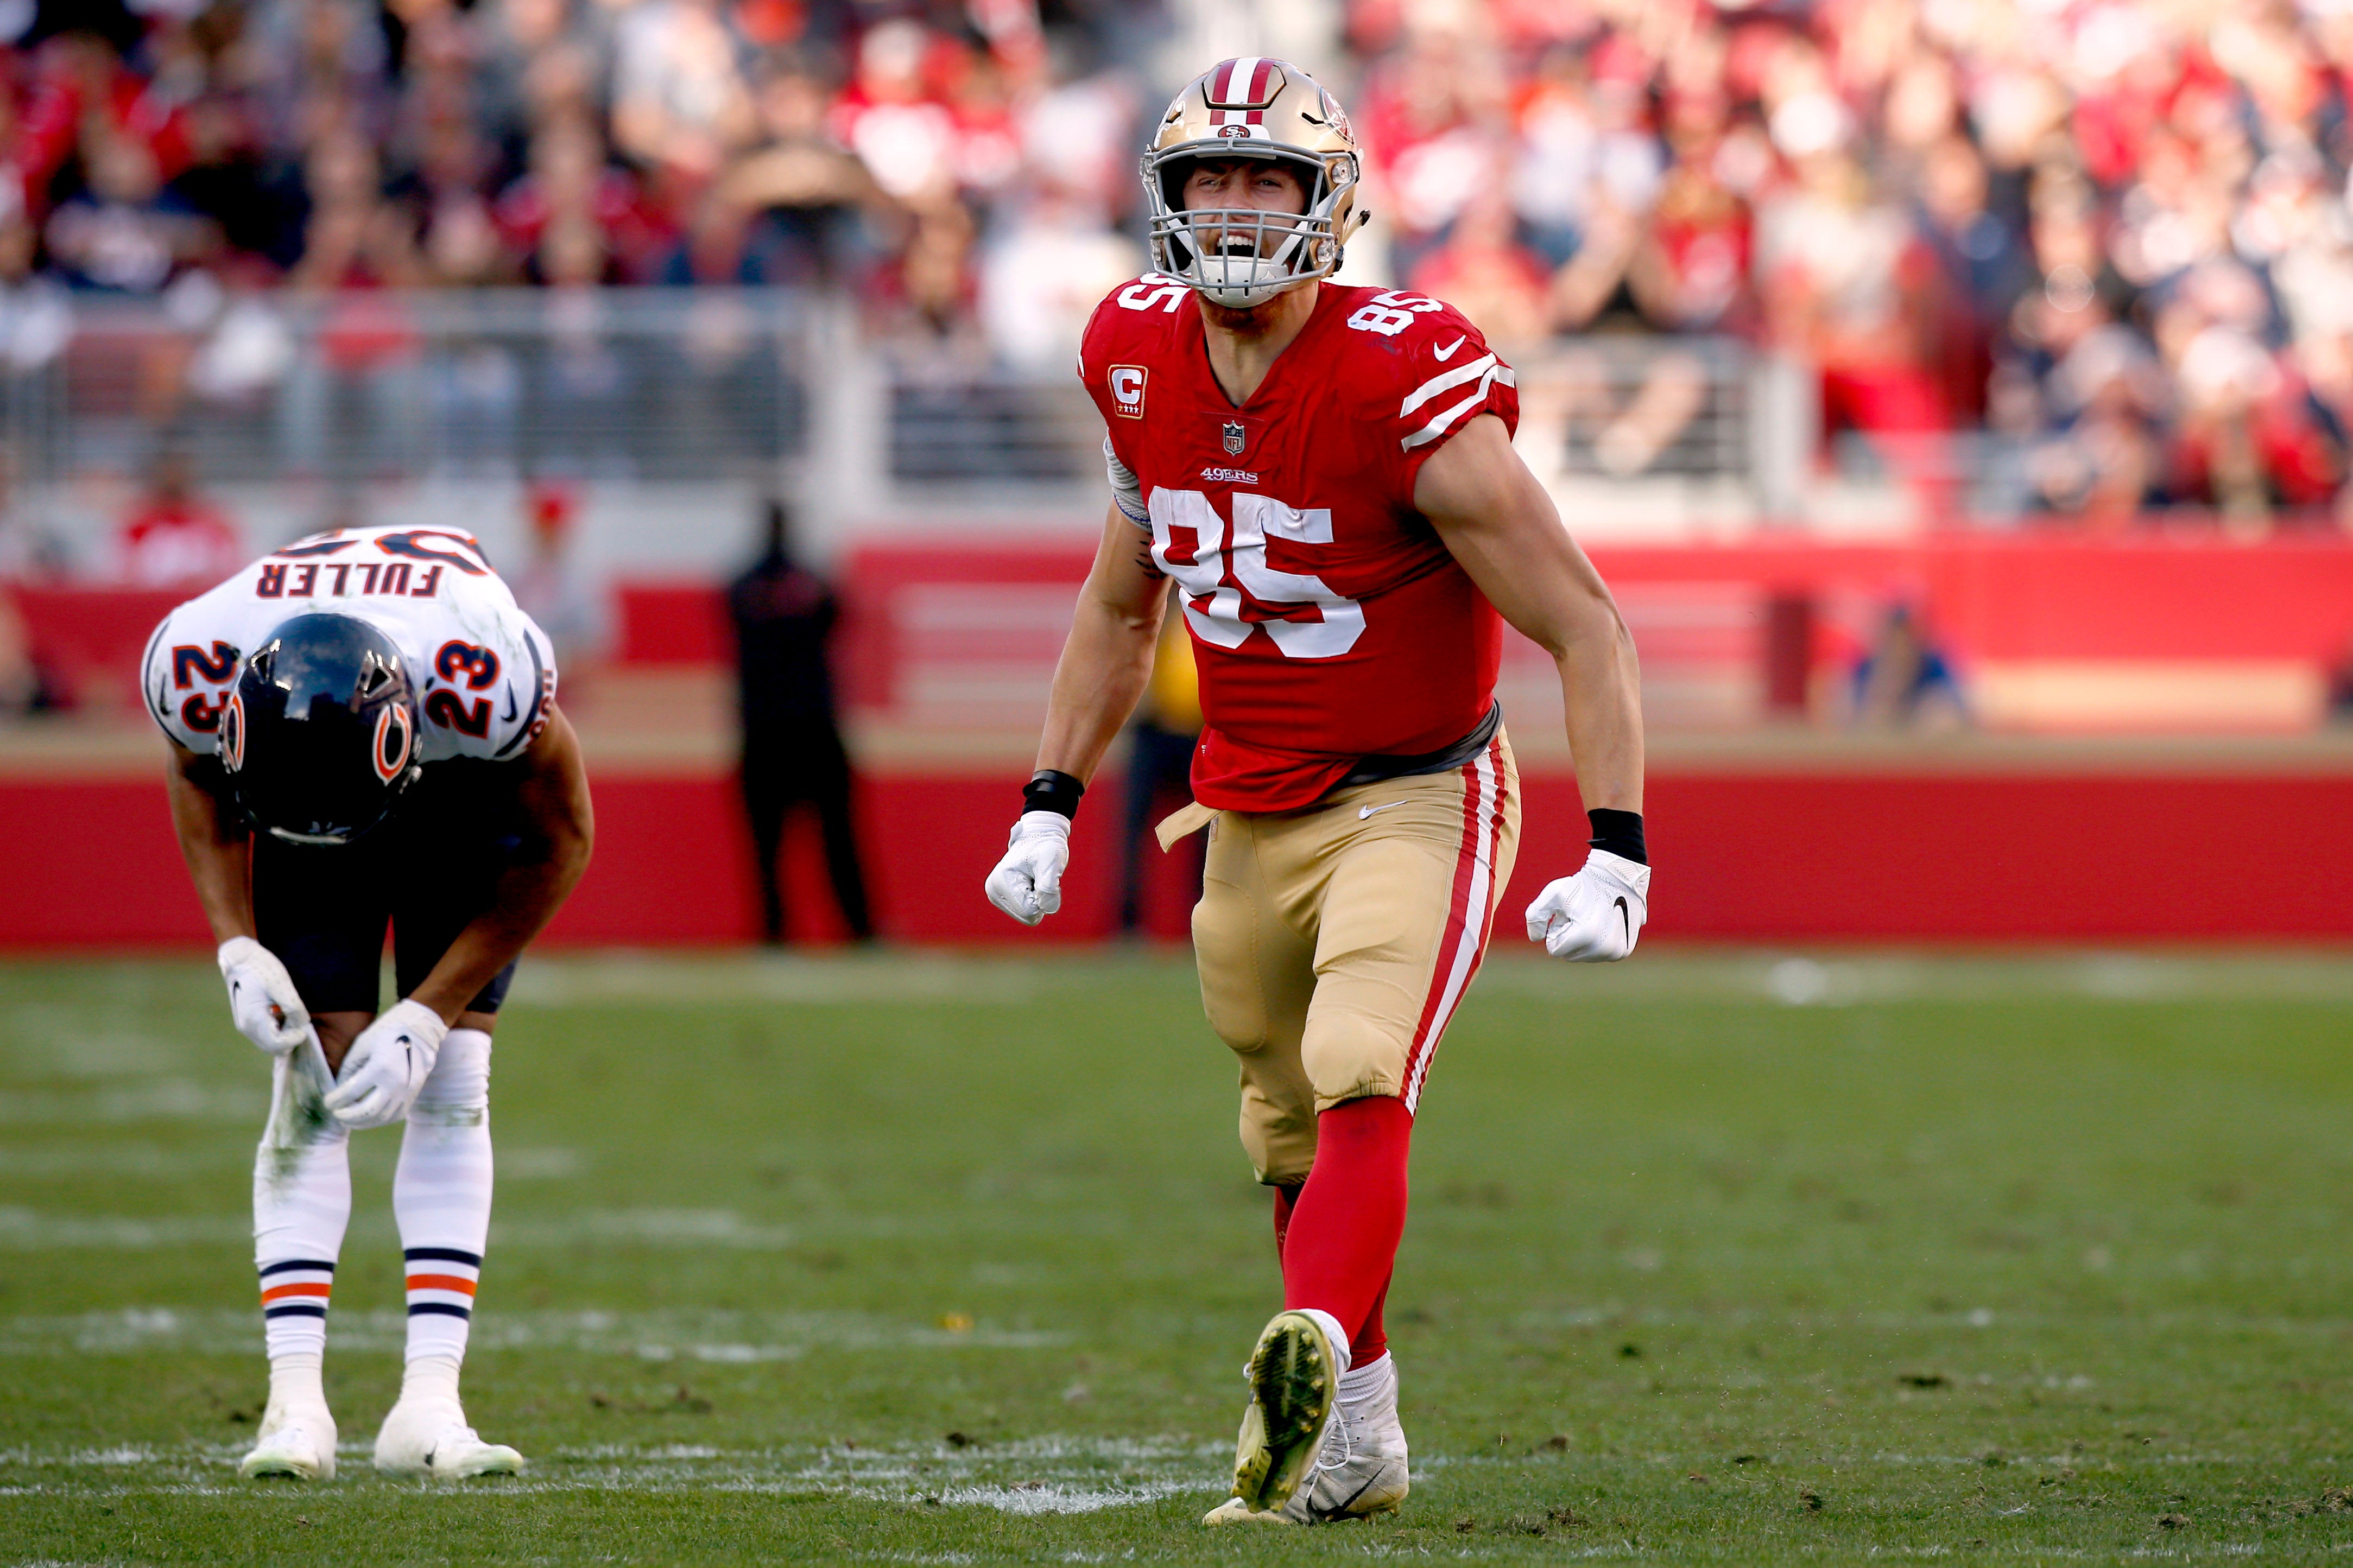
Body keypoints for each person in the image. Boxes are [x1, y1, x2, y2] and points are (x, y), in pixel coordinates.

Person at [982, 58, 1650, 1528]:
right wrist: (1048, 797)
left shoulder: (1401, 375)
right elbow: (1115, 610)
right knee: (1279, 1125)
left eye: (1261, 179)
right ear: (1161, 203)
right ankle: (1357, 1427)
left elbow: (1582, 619)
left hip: (1420, 787)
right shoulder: (1132, 352)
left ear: (1325, 201)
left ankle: (1301, 1365)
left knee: (1360, 1059)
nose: (1230, 208)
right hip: (1243, 800)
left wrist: (1617, 848)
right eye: (1205, 179)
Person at [143, 524, 593, 1482]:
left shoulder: (483, 672)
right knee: (315, 1072)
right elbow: (192, 770)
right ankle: (293, 1402)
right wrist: (235, 943)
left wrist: (430, 1010)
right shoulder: (201, 650)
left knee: (453, 1073)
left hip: (457, 791)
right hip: (326, 758)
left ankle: (429, 1401)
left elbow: (562, 839)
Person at [728, 499, 873, 945]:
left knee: (766, 846)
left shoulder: (741, 587)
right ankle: (861, 929)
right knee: (839, 839)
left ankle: (774, 931)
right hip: (815, 725)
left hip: (764, 728)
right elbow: (840, 618)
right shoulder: (814, 585)